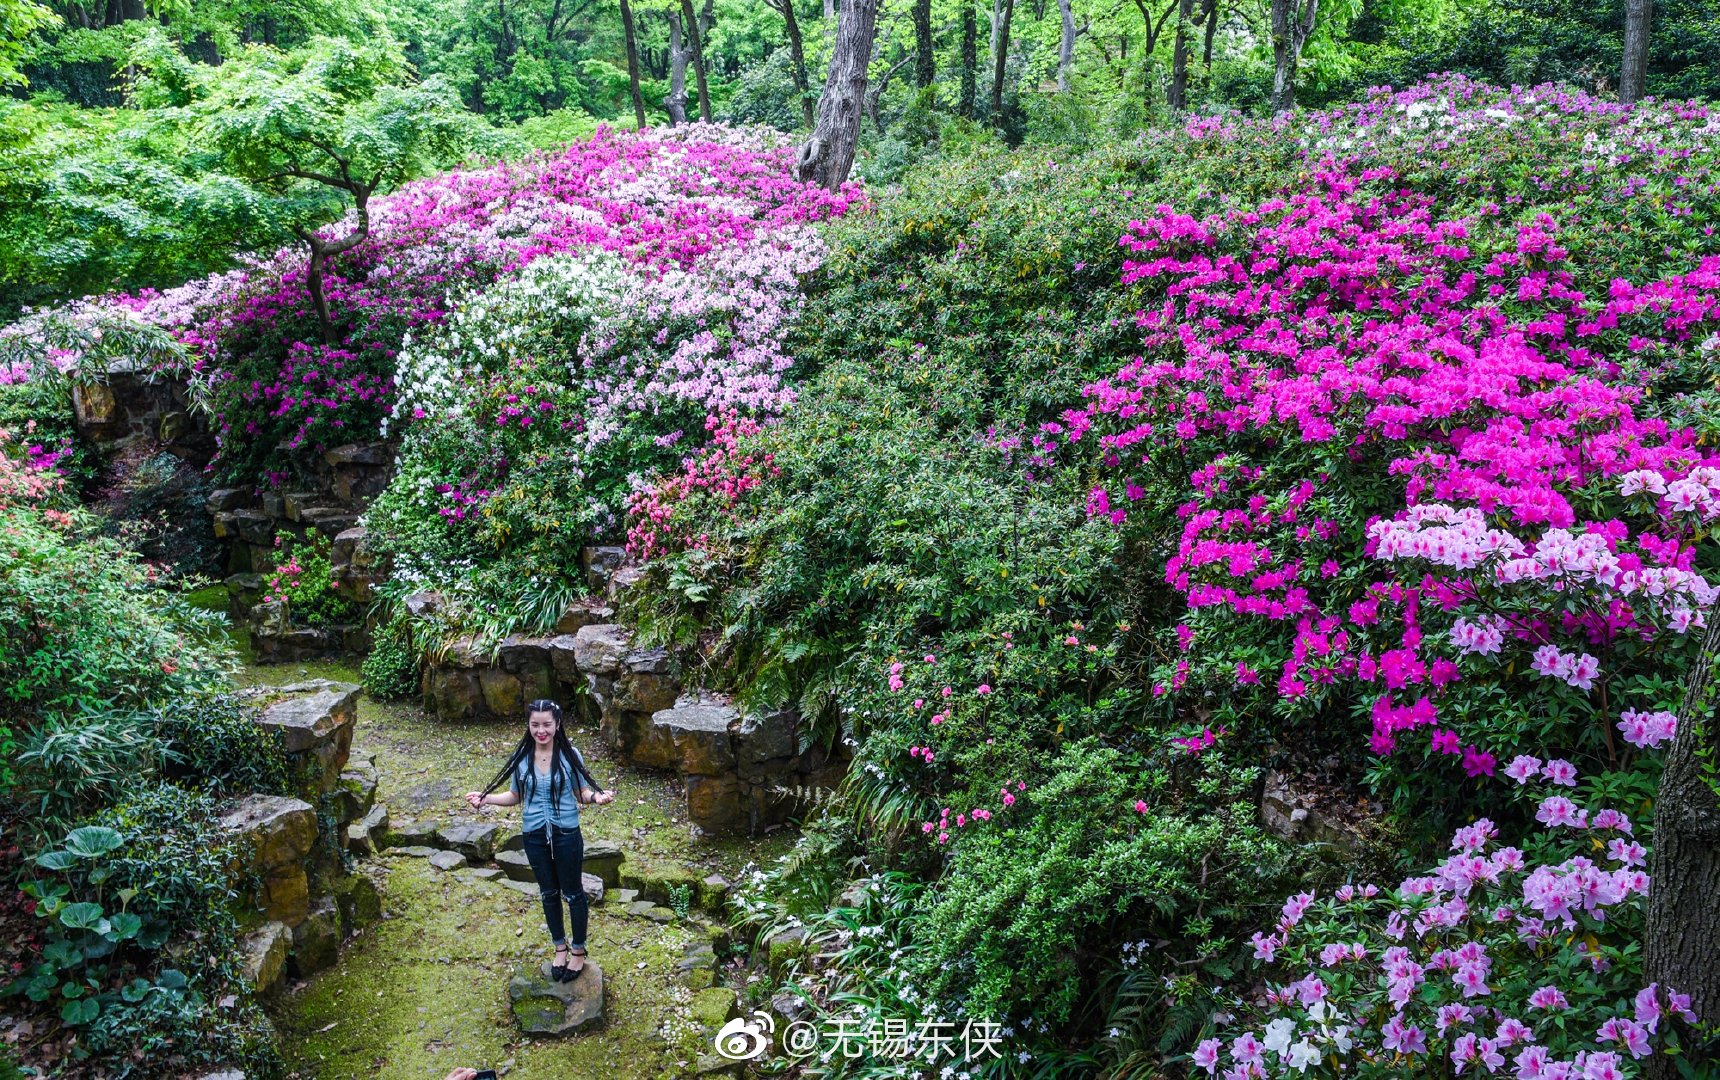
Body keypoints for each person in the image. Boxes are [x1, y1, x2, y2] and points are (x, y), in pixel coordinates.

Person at [465, 699, 613, 982]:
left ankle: (578, 952)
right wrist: (486, 800)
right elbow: (515, 796)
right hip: (534, 836)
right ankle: (560, 948)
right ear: (528, 725)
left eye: (547, 724)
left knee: (573, 893)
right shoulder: (522, 757)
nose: (541, 730)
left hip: (567, 834)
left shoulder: (571, 755)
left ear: (557, 724)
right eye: (535, 724)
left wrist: (597, 797)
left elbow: (582, 792)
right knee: (548, 893)